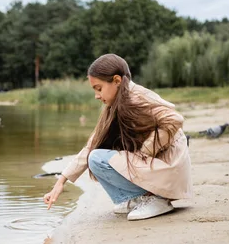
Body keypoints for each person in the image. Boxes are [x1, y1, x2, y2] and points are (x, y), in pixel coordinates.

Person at [43, 54, 192, 221]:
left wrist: (145, 152)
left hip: (169, 170)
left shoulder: (137, 98)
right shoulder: (117, 103)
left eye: (99, 88)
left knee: (98, 158)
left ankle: (156, 199)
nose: (96, 96)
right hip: (160, 170)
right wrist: (61, 182)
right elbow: (91, 145)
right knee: (95, 157)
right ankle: (137, 198)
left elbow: (175, 119)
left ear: (116, 80)